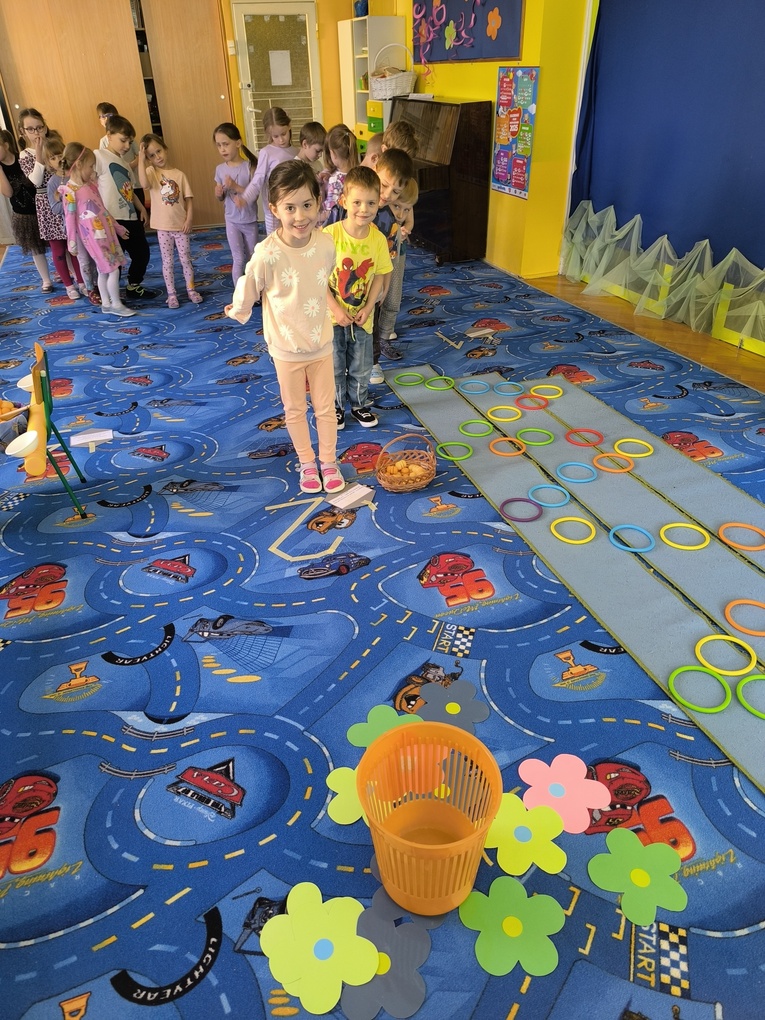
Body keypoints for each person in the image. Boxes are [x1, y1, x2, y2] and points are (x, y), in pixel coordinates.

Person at [225, 160, 344, 495]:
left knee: (326, 408)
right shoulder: (268, 253)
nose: (300, 216)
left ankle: (328, 461)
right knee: (294, 409)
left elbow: (322, 281)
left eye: (307, 205)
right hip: (286, 347)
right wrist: (239, 308)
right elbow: (250, 283)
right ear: (274, 208)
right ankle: (307, 462)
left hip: (320, 341)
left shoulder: (326, 244)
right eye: (290, 208)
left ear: (318, 204)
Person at [324, 166, 392, 430]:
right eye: (357, 202)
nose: (364, 209)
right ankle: (336, 407)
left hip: (363, 318)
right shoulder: (329, 236)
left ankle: (359, 405)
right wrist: (335, 309)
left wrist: (371, 305)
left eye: (371, 203)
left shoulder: (378, 239)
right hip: (332, 318)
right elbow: (318, 279)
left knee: (361, 366)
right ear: (344, 201)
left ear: (379, 203)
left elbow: (379, 276)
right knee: (334, 364)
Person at [58, 142, 134, 317]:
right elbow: (69, 219)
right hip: (93, 239)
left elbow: (103, 210)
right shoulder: (70, 192)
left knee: (103, 270)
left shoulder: (90, 186)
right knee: (112, 269)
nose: (93, 170)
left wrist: (118, 228)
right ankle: (116, 304)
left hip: (107, 234)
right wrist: (71, 242)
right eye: (91, 166)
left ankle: (106, 303)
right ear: (79, 164)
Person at [94, 115, 156, 301]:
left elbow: (130, 191)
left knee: (142, 253)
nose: (127, 146)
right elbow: (89, 184)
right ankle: (109, 293)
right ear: (109, 135)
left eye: (130, 141)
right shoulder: (99, 156)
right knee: (115, 260)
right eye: (123, 140)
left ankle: (133, 285)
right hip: (111, 220)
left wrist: (141, 208)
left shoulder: (125, 165)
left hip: (130, 217)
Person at [138, 133, 202, 307]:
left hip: (181, 226)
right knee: (167, 262)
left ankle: (191, 289)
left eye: (159, 151)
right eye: (152, 155)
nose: (157, 157)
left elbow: (189, 199)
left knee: (185, 259)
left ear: (165, 149)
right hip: (163, 227)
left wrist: (189, 220)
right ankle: (172, 294)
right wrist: (141, 160)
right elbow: (144, 184)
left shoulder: (179, 175)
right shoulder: (151, 172)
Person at [369, 176, 419, 383]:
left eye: (406, 209)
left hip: (397, 253)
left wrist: (406, 229)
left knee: (393, 296)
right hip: (376, 258)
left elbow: (409, 220)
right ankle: (372, 346)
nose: (400, 214)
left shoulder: (402, 212)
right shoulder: (378, 212)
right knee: (375, 298)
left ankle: (384, 336)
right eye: (397, 207)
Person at [234, 108, 297, 236]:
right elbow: (258, 180)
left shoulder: (296, 152)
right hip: (273, 210)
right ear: (269, 134)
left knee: (293, 237)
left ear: (289, 126)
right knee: (274, 240)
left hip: (293, 206)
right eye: (276, 136)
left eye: (284, 134)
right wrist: (245, 198)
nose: (281, 140)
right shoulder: (266, 152)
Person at [39, 135, 87, 301]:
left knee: (76, 252)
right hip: (58, 224)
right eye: (53, 158)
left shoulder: (74, 174)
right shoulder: (52, 182)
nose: (58, 160)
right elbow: (55, 207)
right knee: (59, 253)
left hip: (78, 223)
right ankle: (69, 285)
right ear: (48, 162)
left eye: (60, 155)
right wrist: (70, 203)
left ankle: (81, 282)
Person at [212, 122, 259, 283]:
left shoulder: (249, 166)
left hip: (249, 220)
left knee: (253, 257)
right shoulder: (220, 169)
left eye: (226, 144)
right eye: (219, 145)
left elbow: (254, 194)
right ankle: (239, 293)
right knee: (238, 258)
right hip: (231, 221)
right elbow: (221, 197)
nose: (222, 149)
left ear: (238, 143)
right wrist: (219, 193)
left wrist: (236, 187)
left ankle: (255, 289)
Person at [15, 107, 53, 290]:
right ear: (22, 132)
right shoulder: (25, 154)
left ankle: (71, 273)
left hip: (59, 197)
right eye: (30, 129)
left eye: (39, 127)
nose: (36, 132)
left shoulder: (53, 147)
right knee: (37, 244)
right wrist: (39, 153)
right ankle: (46, 279)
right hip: (41, 202)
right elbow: (36, 181)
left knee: (64, 240)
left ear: (45, 127)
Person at [319, 124, 358, 226]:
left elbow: (330, 213)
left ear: (332, 153)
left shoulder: (335, 180)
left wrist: (315, 218)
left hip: (333, 228)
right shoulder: (358, 174)